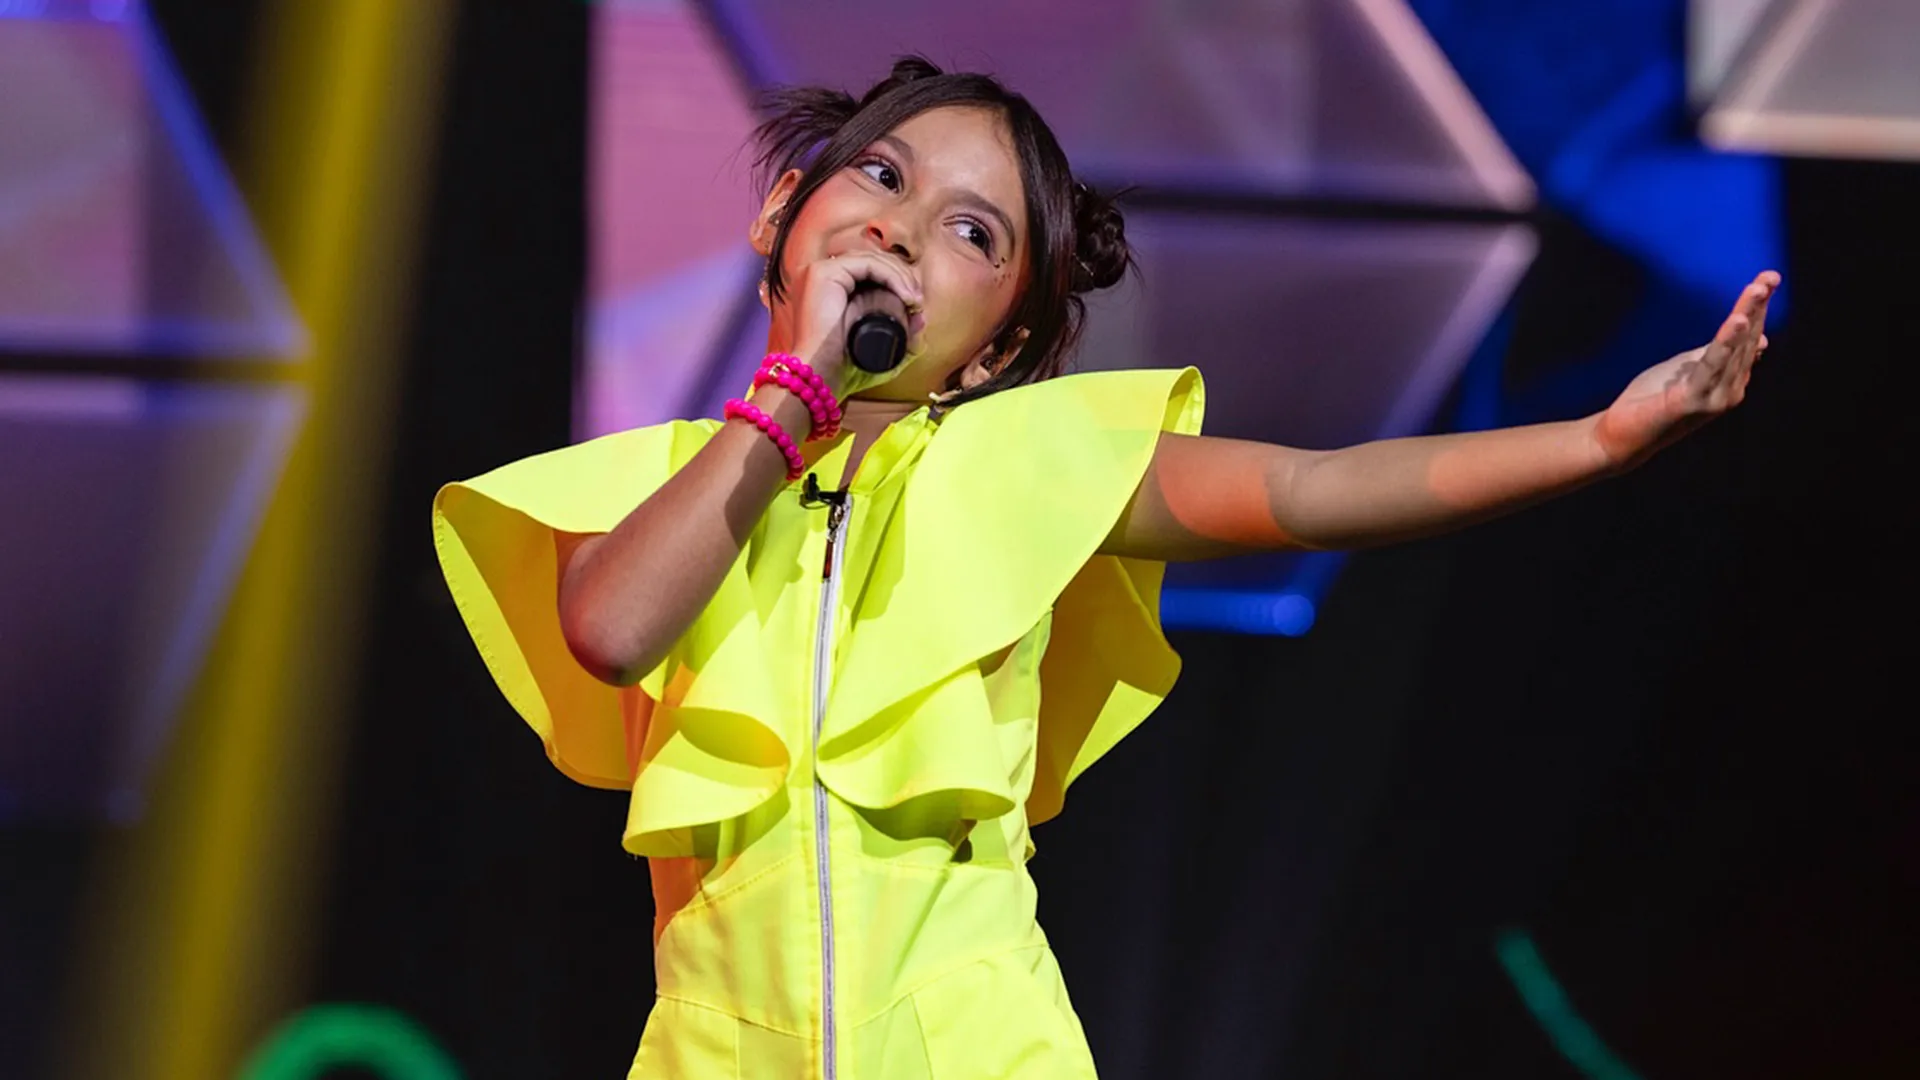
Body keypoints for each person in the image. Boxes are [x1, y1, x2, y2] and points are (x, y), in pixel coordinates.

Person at [432, 57, 1776, 1079]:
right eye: (883, 177)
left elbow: (1309, 490)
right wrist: (795, 398)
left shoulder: (1027, 466)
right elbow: (610, 629)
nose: (905, 228)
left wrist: (1597, 441)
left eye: (975, 233)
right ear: (786, 210)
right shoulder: (666, 484)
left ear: (997, 349)